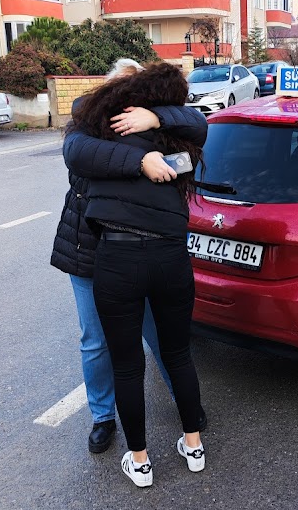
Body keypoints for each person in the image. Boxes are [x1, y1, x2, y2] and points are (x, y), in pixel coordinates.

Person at [51, 59, 205, 455]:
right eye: (121, 88)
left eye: (135, 90)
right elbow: (78, 152)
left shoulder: (157, 122)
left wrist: (155, 117)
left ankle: (186, 409)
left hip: (142, 250)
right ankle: (103, 418)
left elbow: (198, 125)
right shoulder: (89, 122)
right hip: (89, 248)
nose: (127, 98)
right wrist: (140, 162)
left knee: (162, 338)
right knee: (97, 342)